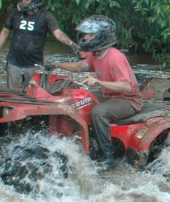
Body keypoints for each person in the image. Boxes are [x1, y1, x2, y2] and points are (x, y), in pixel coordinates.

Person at [54, 15, 142, 170]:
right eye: (86, 34)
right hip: (111, 95)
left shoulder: (114, 57)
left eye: (90, 35)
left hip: (128, 100)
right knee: (79, 100)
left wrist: (99, 82)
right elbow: (79, 67)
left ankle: (106, 157)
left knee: (98, 112)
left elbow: (127, 86)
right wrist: (56, 64)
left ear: (102, 36)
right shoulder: (96, 55)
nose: (86, 38)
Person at [0, 0, 79, 88]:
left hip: (34, 64)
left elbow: (58, 33)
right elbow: (5, 32)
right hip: (13, 62)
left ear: (35, 0)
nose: (23, 1)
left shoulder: (45, 16)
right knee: (13, 95)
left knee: (33, 95)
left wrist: (71, 43)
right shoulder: (15, 13)